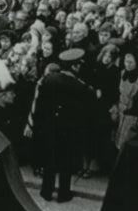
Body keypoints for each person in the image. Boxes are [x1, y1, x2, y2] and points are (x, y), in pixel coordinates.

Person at [27, 48, 95, 202]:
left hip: (49, 127)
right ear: (75, 66)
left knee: (49, 161)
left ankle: (46, 191)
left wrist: (37, 126)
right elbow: (86, 112)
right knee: (66, 163)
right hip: (69, 131)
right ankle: (64, 194)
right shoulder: (80, 86)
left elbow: (38, 105)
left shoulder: (47, 80)